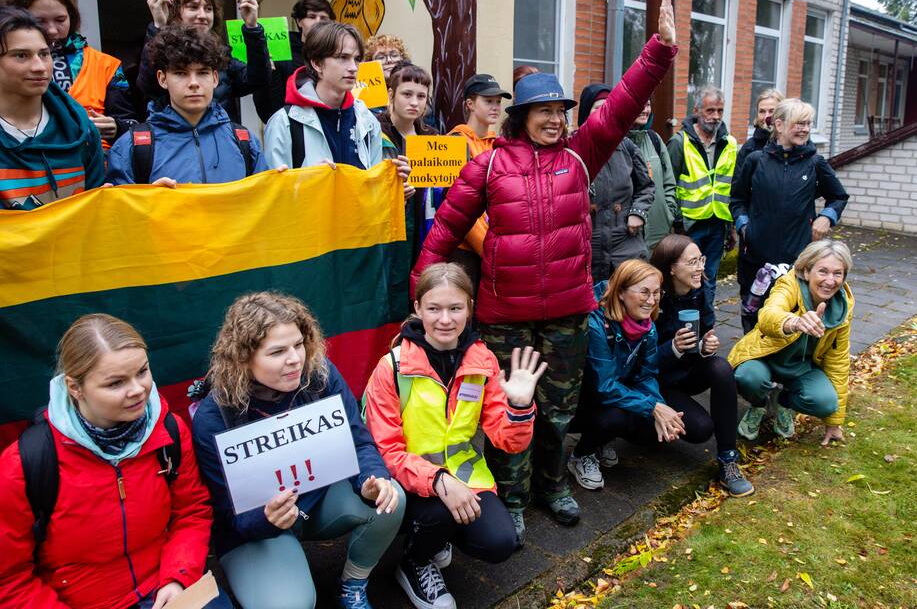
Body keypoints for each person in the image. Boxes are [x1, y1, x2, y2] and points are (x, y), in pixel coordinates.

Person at [412, 0, 678, 543]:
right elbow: (444, 228)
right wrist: (421, 296)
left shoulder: (583, 155)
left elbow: (622, 105)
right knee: (511, 409)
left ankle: (552, 486)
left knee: (557, 410)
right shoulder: (487, 166)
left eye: (561, 111)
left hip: (566, 313)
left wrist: (659, 51)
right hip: (506, 316)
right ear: (522, 117)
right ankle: (511, 495)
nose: (557, 120)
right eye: (545, 112)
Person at [0, 313, 229, 609]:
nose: (137, 390)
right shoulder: (25, 464)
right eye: (115, 383)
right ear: (75, 387)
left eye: (142, 371)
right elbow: (9, 579)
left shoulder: (169, 431)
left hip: (163, 586)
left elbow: (192, 511)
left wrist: (178, 577)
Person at [192, 292, 404, 609]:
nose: (295, 358)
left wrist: (371, 479)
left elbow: (357, 437)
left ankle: (353, 583)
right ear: (244, 358)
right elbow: (227, 512)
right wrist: (265, 518)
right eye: (277, 351)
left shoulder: (320, 374)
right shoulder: (213, 417)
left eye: (298, 344)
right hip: (256, 530)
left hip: (316, 499)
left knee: (391, 499)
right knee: (290, 604)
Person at [364, 263, 544, 609]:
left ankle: (436, 539)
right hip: (405, 482)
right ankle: (415, 562)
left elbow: (509, 441)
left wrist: (520, 408)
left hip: (467, 478)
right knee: (438, 515)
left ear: (469, 308)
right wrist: (439, 482)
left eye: (455, 308)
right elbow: (386, 449)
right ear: (417, 309)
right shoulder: (392, 367)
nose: (445, 319)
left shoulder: (483, 360)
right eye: (434, 308)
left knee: (500, 543)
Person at [566, 260, 690, 490]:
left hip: (615, 394)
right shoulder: (595, 323)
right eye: (644, 292)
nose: (652, 301)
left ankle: (601, 442)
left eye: (656, 292)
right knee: (616, 418)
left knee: (652, 432)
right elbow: (604, 386)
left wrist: (660, 408)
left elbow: (646, 374)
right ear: (621, 292)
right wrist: (652, 407)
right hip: (581, 402)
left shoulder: (646, 325)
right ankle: (581, 455)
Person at [730, 98, 849, 333]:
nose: (805, 129)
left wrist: (827, 216)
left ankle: (784, 364)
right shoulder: (756, 160)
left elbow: (839, 196)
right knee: (754, 314)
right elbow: (737, 200)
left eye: (808, 124)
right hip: (756, 258)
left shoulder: (815, 163)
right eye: (799, 123)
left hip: (797, 258)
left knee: (791, 316)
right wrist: (746, 228)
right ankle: (749, 360)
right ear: (779, 125)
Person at [648, 234, 753, 496]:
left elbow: (707, 331)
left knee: (721, 367)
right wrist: (672, 348)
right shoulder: (652, 298)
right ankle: (646, 425)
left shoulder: (700, 289)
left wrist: (707, 347)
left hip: (689, 371)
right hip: (659, 382)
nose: (700, 268)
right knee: (700, 430)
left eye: (701, 260)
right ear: (672, 268)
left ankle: (728, 459)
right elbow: (638, 361)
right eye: (692, 262)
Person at [728, 239, 854, 446]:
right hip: (765, 359)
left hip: (800, 368)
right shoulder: (789, 284)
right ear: (806, 272)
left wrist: (834, 423)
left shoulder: (842, 307)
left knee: (825, 402)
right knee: (747, 377)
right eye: (822, 271)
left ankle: (782, 402)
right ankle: (759, 404)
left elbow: (838, 361)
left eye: (837, 273)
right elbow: (768, 315)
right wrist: (794, 322)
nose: (830, 281)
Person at [106, 24, 268, 185]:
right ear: (162, 79)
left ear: (215, 78)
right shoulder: (133, 147)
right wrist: (147, 200)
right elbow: (118, 209)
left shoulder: (245, 142)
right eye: (180, 73)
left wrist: (279, 186)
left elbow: (264, 202)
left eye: (203, 72)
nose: (193, 83)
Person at [8, 0, 138, 146]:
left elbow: (134, 125)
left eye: (60, 19)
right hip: (30, 160)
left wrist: (117, 127)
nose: (52, 30)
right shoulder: (6, 64)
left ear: (71, 15)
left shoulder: (107, 65)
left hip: (97, 163)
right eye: (40, 21)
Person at [0, 7, 104, 209]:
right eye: (21, 55)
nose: (39, 66)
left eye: (44, 54)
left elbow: (98, 212)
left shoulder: (81, 129)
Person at [262, 22, 390, 172]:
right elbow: (276, 191)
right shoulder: (284, 122)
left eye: (357, 59)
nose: (353, 67)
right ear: (317, 63)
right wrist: (310, 182)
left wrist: (392, 183)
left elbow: (373, 187)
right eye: (343, 57)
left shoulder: (367, 119)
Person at [139, 0, 270, 123]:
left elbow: (257, 79)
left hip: (220, 139)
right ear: (175, 12)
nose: (202, 15)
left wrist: (252, 27)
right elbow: (148, 85)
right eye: (193, 7)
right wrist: (159, 26)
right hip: (175, 140)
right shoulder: (164, 50)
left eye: (208, 9)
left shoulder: (222, 55)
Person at [667, 86, 738, 306]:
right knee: (685, 279)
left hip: (717, 224)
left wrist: (732, 227)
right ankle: (684, 325)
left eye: (720, 111)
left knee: (709, 279)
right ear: (697, 110)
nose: (715, 116)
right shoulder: (680, 143)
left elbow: (732, 186)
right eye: (710, 110)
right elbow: (669, 185)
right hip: (688, 226)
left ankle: (706, 325)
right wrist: (676, 224)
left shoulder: (730, 143)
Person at [577, 83, 655, 280]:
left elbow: (646, 186)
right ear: (586, 113)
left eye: (608, 108)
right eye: (597, 108)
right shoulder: (573, 150)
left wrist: (638, 213)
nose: (603, 114)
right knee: (594, 306)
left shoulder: (626, 147)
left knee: (628, 303)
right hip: (588, 249)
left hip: (626, 244)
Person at [445, 73, 512, 287]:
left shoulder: (500, 145)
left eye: (498, 102)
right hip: (466, 250)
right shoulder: (455, 143)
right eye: (488, 101)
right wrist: (488, 250)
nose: (495, 107)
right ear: (470, 104)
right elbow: (457, 207)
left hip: (496, 248)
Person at [380, 62, 439, 264]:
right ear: (391, 95)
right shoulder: (374, 132)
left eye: (421, 96)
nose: (414, 102)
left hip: (425, 229)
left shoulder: (433, 137)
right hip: (387, 232)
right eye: (407, 94)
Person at [254, 0, 335, 121]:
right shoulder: (282, 53)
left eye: (324, 18)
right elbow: (268, 108)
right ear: (299, 21)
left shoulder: (335, 54)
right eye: (312, 17)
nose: (318, 22)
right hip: (291, 129)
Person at [626, 99, 677, 251]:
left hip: (659, 233)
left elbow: (669, 181)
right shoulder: (616, 142)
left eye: (647, 105)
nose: (645, 110)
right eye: (640, 104)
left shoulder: (655, 139)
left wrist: (669, 213)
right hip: (628, 236)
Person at [736, 87, 784, 174]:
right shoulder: (749, 147)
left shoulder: (793, 144)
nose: (766, 117)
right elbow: (738, 183)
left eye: (771, 111)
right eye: (762, 111)